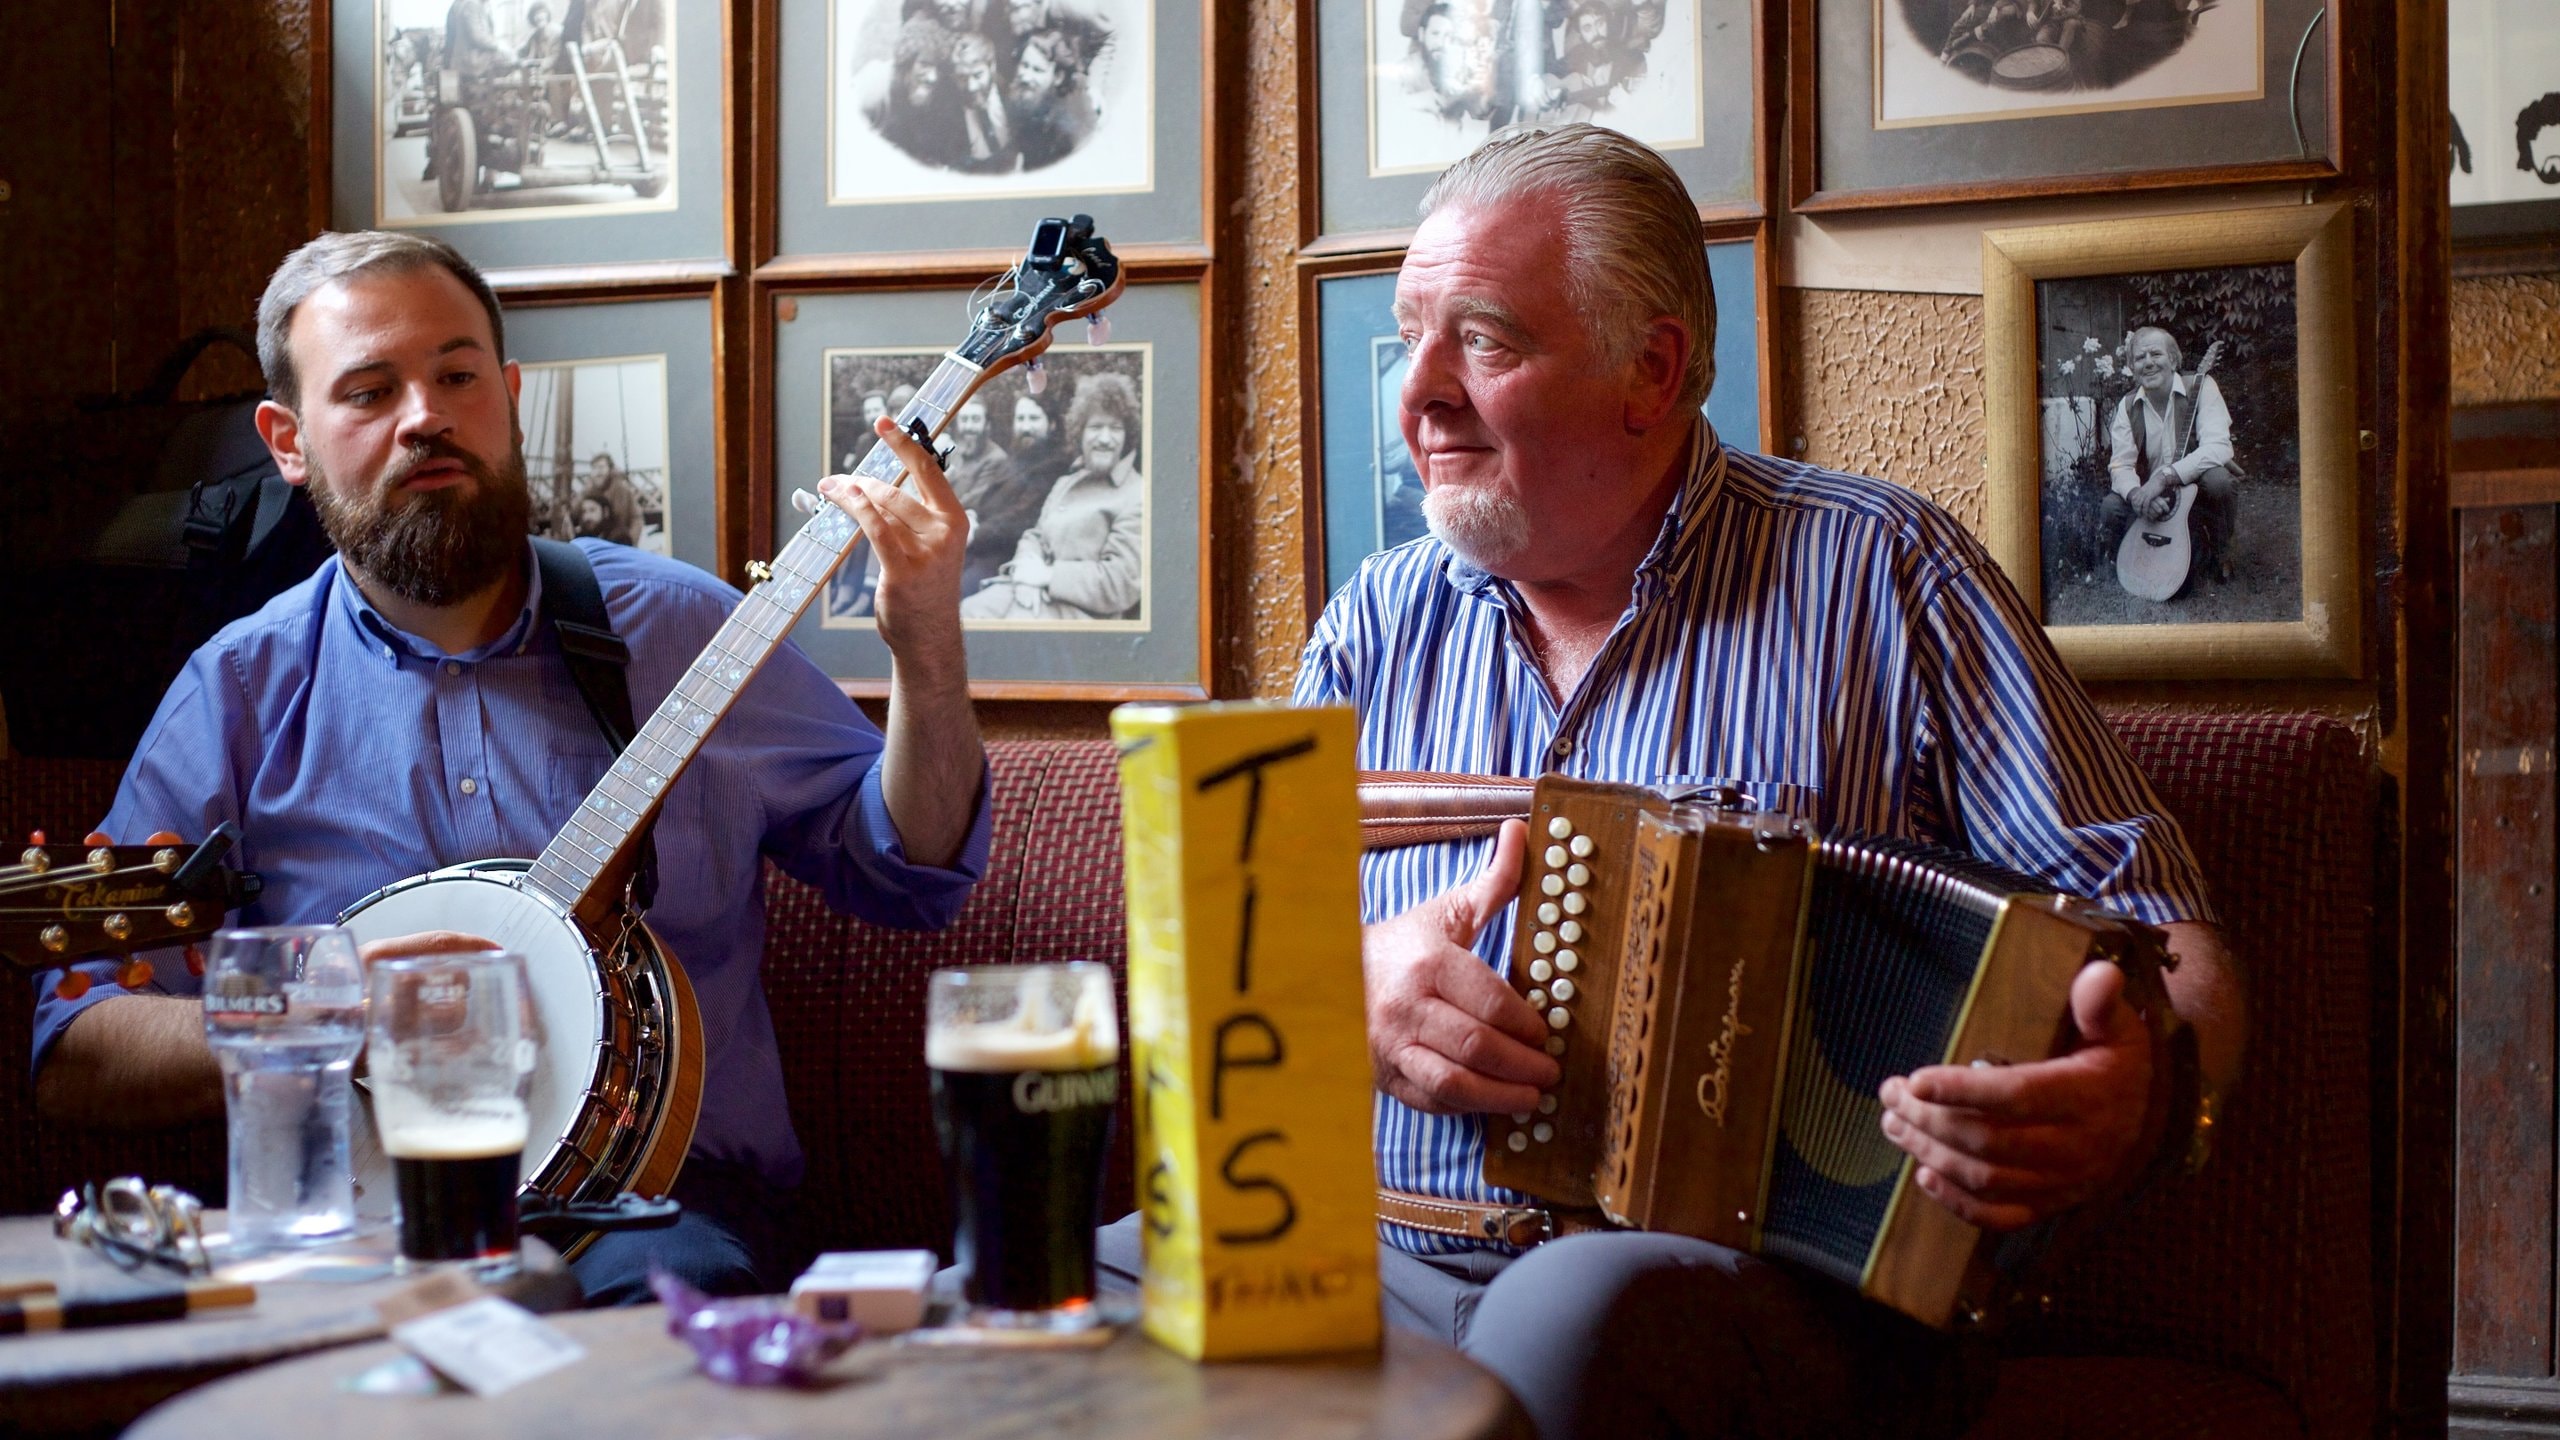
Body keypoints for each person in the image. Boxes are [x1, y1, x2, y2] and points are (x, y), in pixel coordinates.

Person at [1137, 124, 2239, 1440]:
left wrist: (2137, 1095)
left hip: (1740, 1286)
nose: (1417, 393)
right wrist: (1338, 986)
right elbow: (1211, 992)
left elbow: (2170, 939)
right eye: (1410, 332)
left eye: (1480, 339)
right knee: (1040, 1301)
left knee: (1570, 1322)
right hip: (1369, 1259)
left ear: (1650, 370)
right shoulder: (1377, 616)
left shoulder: (1884, 571)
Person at [29, 230, 990, 1307]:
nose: (425, 416)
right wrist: (321, 1014)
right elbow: (78, 1048)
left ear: (510, 393)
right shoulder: (239, 692)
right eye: (368, 390)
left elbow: (912, 870)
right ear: (289, 441)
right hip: (365, 1238)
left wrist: (925, 646)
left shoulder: (680, 630)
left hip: (657, 1220)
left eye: (456, 374)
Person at [959, 372, 1143, 621]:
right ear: (1081, 433)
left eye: (1115, 428)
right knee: (964, 615)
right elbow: (1035, 535)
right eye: (1096, 427)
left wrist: (1048, 576)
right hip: (1027, 587)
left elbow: (1121, 581)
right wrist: (1027, 572)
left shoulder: (1135, 493)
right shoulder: (1067, 482)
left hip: (1079, 612)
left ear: (1127, 436)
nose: (1104, 439)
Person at [2102, 325, 2236, 587]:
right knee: (2111, 507)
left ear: (2173, 360)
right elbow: (2120, 465)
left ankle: (2221, 554)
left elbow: (2219, 446)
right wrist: (2138, 497)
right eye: (2140, 358)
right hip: (2151, 496)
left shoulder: (2202, 387)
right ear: (2132, 367)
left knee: (2219, 480)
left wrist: (2165, 477)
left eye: (2156, 354)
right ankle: (2121, 562)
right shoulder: (2127, 407)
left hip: (2195, 493)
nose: (2148, 363)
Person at [1010, 28, 1097, 171]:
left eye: (1037, 70)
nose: (1026, 76)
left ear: (1058, 77)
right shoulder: (1027, 100)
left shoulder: (1066, 128)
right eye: (1024, 65)